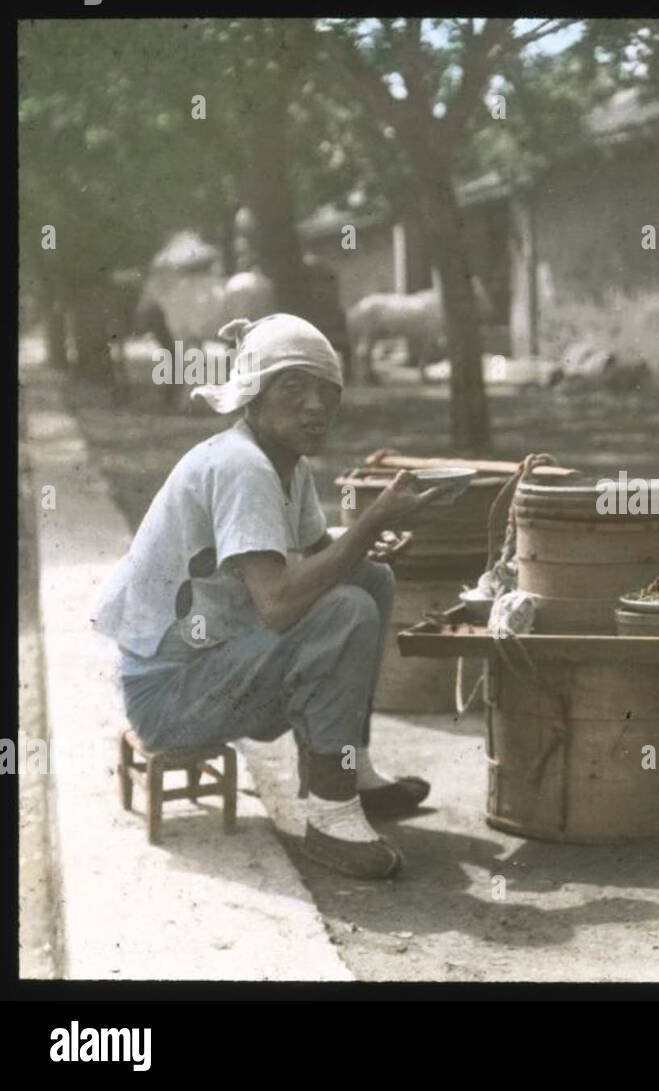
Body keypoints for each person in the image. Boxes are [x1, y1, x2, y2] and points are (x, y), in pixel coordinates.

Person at [92, 313, 447, 880]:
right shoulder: (242, 467)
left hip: (213, 666)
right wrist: (371, 520)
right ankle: (330, 817)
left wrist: (367, 541)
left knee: (369, 579)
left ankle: (347, 771)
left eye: (326, 390)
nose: (314, 406)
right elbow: (279, 604)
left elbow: (314, 550)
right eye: (293, 387)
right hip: (170, 702)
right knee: (346, 609)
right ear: (253, 396)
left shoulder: (284, 462)